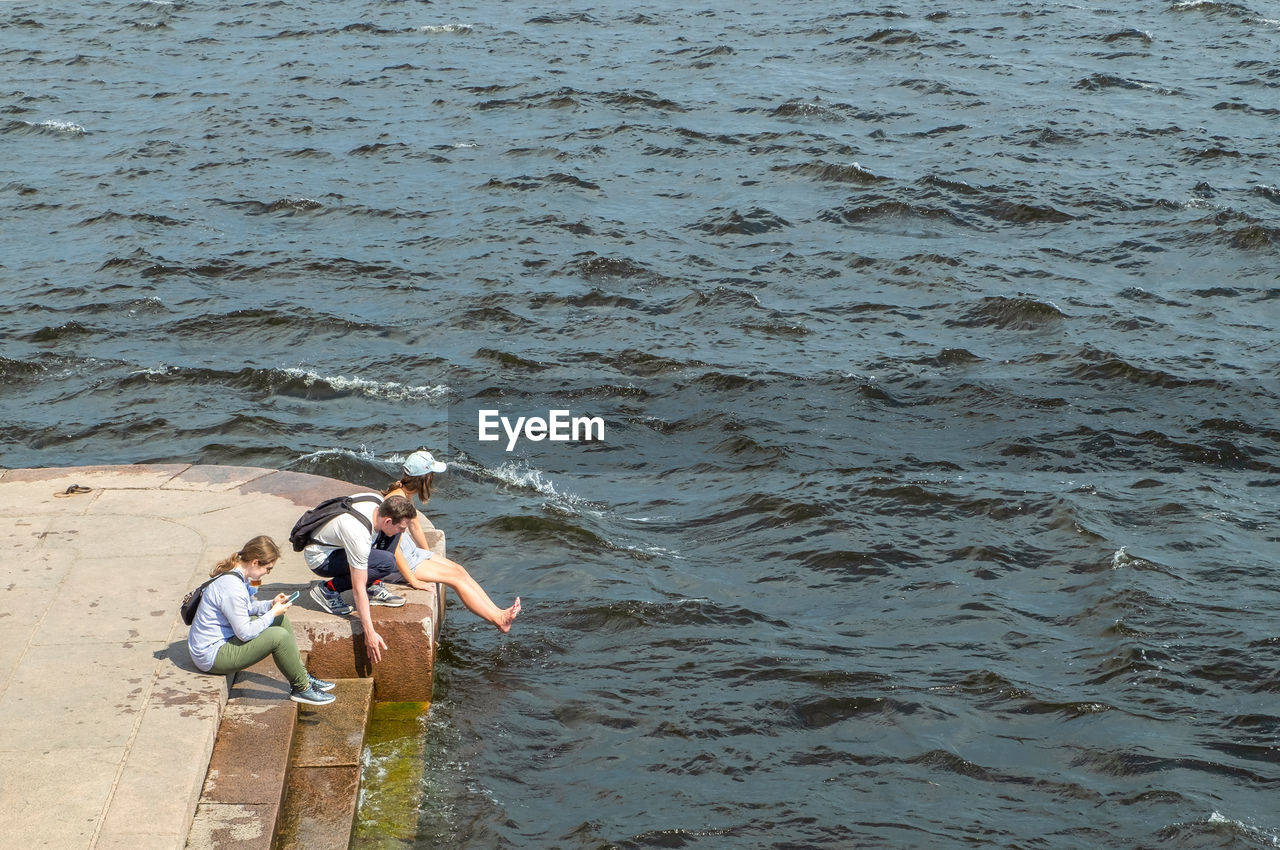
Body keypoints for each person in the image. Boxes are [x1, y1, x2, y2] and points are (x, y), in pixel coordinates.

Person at [382, 449, 521, 633]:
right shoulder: (396, 501)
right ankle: (498, 620)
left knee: (459, 570)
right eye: (431, 475)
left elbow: (415, 526)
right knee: (455, 579)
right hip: (399, 562)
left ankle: (498, 612)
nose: (433, 479)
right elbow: (395, 549)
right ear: (424, 478)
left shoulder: (404, 494)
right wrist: (414, 581)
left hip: (411, 553)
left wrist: (429, 555)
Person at [186, 535, 336, 705]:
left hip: (219, 641)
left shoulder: (236, 575)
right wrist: (271, 613)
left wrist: (271, 604)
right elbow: (244, 633)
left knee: (281, 621)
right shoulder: (232, 588)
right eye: (268, 568)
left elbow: (247, 608)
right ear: (255, 562)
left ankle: (302, 675)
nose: (267, 573)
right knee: (278, 637)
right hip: (211, 656)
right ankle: (302, 688)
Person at [304, 491, 418, 665]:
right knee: (386, 562)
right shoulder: (358, 535)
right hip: (322, 558)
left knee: (392, 538)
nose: (403, 531)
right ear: (387, 520)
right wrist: (370, 633)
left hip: (338, 543)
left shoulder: (379, 503)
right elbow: (358, 589)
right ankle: (328, 590)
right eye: (402, 527)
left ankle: (374, 584)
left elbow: (393, 529)